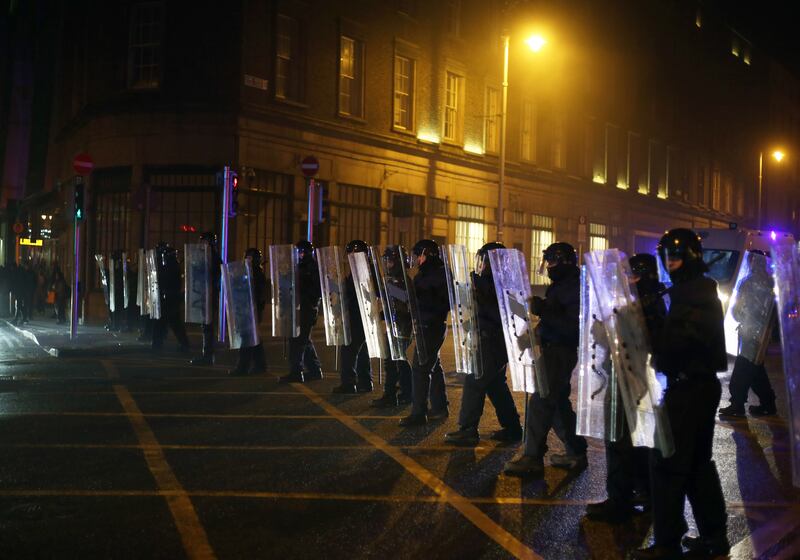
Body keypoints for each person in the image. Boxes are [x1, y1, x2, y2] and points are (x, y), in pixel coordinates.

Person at [631, 228, 729, 560]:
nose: (670, 262)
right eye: (667, 256)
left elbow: (679, 344)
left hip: (689, 388)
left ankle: (668, 543)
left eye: (675, 256)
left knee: (668, 464)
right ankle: (714, 537)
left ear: (689, 257)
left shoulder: (694, 294)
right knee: (697, 465)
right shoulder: (693, 290)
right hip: (696, 386)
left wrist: (650, 331)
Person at [586, 253, 666, 522]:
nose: (626, 280)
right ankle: (645, 492)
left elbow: (618, 339)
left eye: (630, 275)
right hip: (640, 381)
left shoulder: (642, 305)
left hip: (629, 380)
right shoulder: (651, 301)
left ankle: (619, 501)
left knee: (619, 439)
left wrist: (604, 328)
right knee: (637, 441)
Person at [504, 242, 588, 476]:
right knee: (558, 404)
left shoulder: (573, 287)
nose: (548, 266)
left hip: (560, 352)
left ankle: (532, 457)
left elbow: (573, 326)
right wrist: (533, 335)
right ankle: (575, 451)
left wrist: (544, 311)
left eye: (552, 261)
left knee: (541, 402)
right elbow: (554, 320)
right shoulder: (562, 285)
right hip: (552, 349)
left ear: (564, 262)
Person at [444, 242, 522, 445]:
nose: (482, 265)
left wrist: (481, 290)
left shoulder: (502, 283)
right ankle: (513, 428)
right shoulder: (495, 281)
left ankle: (468, 429)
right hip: (491, 340)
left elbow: (500, 313)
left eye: (484, 260)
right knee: (496, 386)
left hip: (493, 341)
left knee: (474, 381)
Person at [719, 250, 777, 418]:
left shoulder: (748, 282)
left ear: (752, 261)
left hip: (750, 332)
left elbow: (738, 309)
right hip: (764, 334)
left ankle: (737, 404)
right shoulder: (771, 282)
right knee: (756, 369)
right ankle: (768, 403)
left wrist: (739, 317)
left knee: (743, 369)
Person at [399, 239, 450, 426]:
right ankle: (439, 407)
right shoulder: (430, 273)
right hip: (426, 325)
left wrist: (413, 294)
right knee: (433, 367)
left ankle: (418, 413)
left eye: (418, 255)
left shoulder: (436, 275)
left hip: (431, 326)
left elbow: (435, 302)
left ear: (427, 254)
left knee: (420, 369)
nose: (417, 259)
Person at [371, 245, 413, 406]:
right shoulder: (393, 280)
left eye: (389, 260)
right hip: (395, 324)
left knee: (396, 360)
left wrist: (390, 292)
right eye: (385, 260)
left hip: (401, 326)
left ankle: (394, 394)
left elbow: (404, 304)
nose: (387, 264)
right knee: (397, 361)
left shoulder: (401, 280)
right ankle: (404, 392)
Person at [333, 240, 375, 394]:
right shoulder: (361, 269)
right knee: (362, 350)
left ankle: (349, 383)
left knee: (349, 350)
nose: (349, 256)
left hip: (359, 316)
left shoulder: (363, 271)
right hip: (360, 317)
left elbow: (363, 293)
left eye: (351, 252)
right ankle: (365, 381)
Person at [279, 240, 323, 383]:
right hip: (298, 307)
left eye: (302, 252)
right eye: (299, 252)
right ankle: (315, 370)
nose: (300, 254)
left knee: (298, 341)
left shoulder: (313, 267)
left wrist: (303, 291)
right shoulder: (298, 266)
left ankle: (296, 371)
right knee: (304, 340)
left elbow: (317, 289)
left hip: (307, 309)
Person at [229, 248, 268, 376]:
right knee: (253, 337)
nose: (248, 260)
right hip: (247, 309)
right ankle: (260, 365)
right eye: (247, 257)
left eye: (251, 258)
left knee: (247, 337)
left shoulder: (257, 274)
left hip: (252, 310)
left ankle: (243, 367)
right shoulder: (248, 272)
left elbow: (257, 294)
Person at [152, 243, 190, 351]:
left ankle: (158, 343)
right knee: (173, 322)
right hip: (170, 297)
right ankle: (182, 343)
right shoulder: (172, 265)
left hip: (170, 297)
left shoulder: (171, 266)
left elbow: (169, 282)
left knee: (168, 322)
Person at [190, 232, 222, 366]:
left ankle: (208, 356)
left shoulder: (212, 257)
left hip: (209, 294)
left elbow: (212, 274)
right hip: (206, 294)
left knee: (208, 327)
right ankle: (207, 354)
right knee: (206, 326)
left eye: (203, 241)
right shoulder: (209, 256)